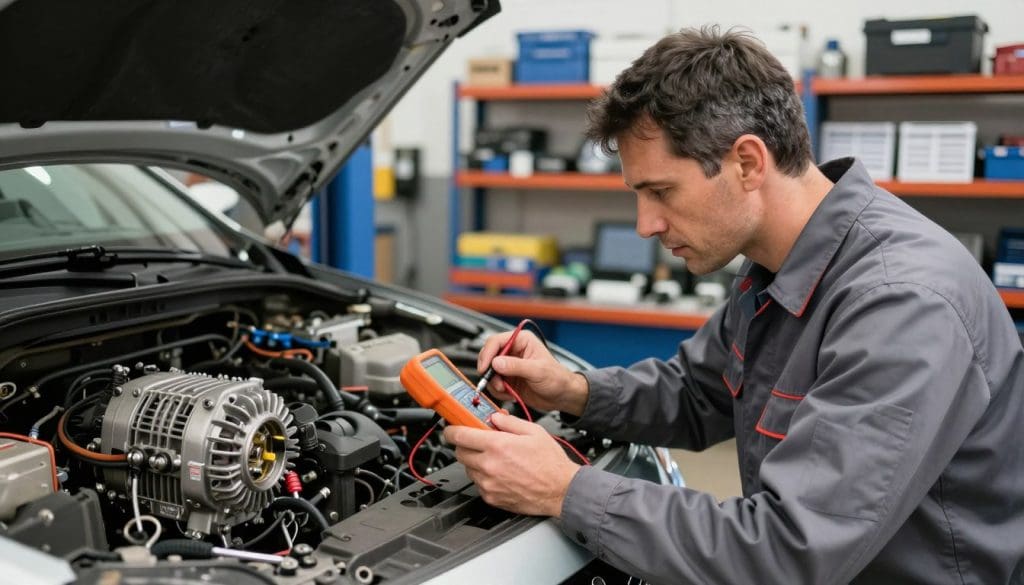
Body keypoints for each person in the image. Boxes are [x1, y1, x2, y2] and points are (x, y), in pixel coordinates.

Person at [443, 26, 1024, 584]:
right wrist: (572, 391)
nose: (646, 225)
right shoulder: (778, 261)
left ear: (747, 162)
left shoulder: (901, 305)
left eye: (660, 191)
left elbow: (787, 552)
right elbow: (699, 393)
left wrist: (564, 490)